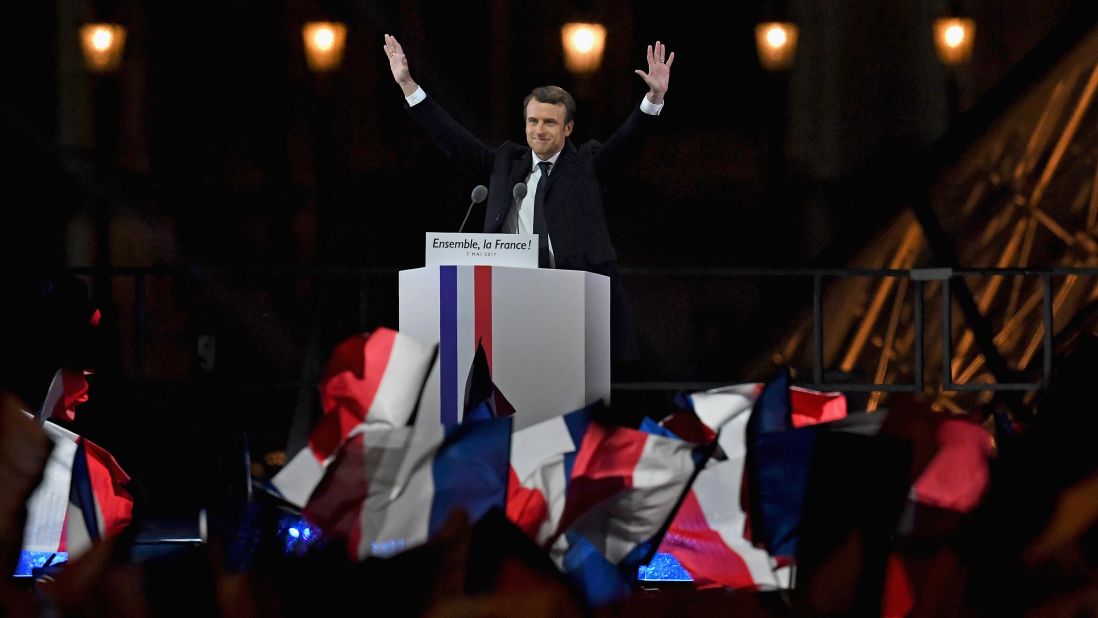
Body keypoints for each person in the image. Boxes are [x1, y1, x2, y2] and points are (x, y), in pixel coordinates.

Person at [383, 34, 674, 366]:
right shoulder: (506, 164)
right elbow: (453, 139)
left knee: (570, 401)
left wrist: (653, 99)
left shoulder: (588, 165)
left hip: (574, 305)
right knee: (513, 401)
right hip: (510, 303)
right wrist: (408, 86)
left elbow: (625, 144)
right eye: (533, 121)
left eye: (550, 122)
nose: (539, 129)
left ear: (568, 128)